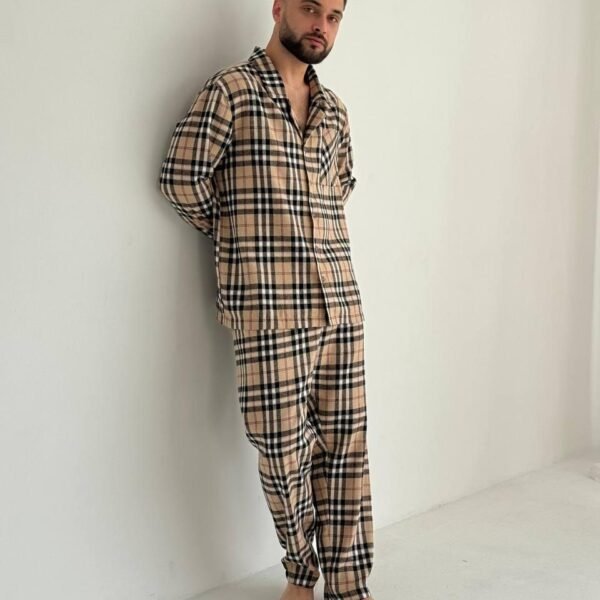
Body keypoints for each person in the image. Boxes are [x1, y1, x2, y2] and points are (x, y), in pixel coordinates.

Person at [158, 1, 374, 599]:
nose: (321, 25)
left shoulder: (334, 111)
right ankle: (301, 573)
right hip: (269, 309)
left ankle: (350, 588)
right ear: (279, 7)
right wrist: (242, 236)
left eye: (334, 16)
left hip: (339, 303)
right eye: (310, 8)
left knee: (346, 449)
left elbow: (340, 188)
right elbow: (181, 179)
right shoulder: (231, 92)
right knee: (281, 450)